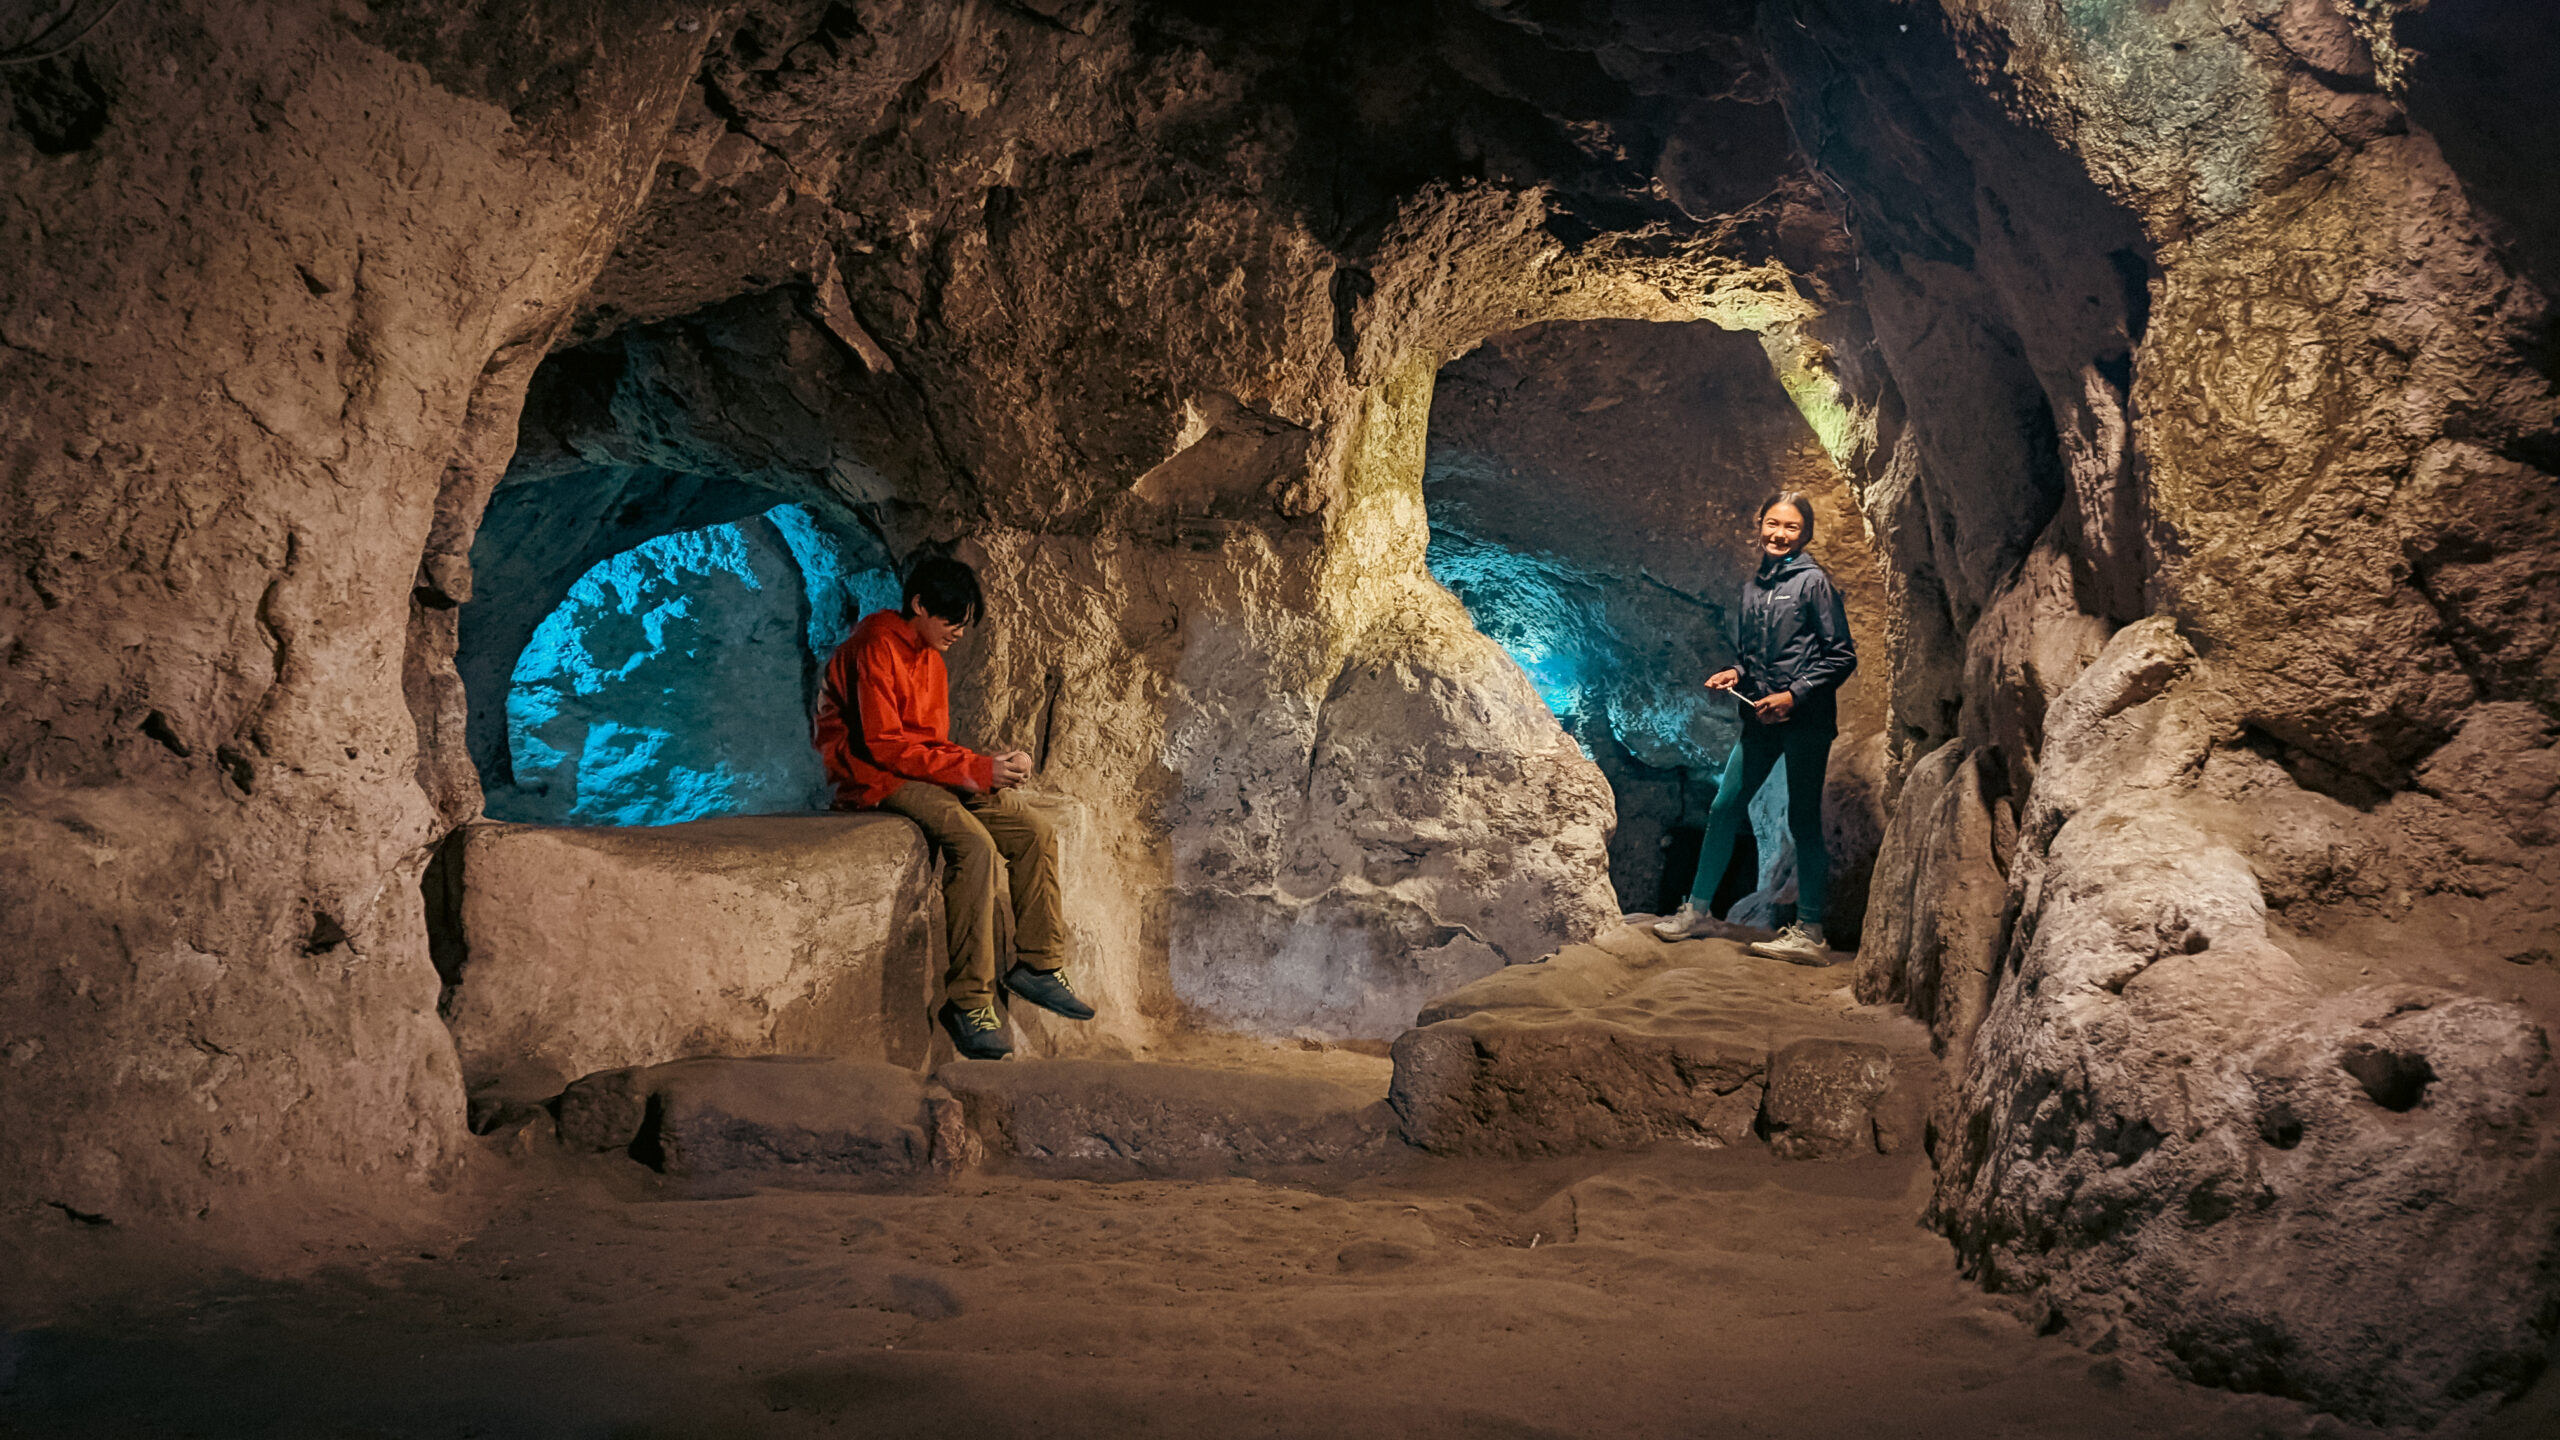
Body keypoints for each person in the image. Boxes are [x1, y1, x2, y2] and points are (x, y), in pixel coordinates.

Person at [812, 554, 1094, 1059]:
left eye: (964, 623)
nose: (959, 632)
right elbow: (884, 746)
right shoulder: (875, 646)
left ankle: (1039, 964)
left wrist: (989, 766)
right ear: (919, 605)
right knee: (973, 845)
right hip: (871, 778)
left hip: (915, 769)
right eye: (951, 620)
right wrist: (976, 770)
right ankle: (970, 1001)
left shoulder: (930, 660)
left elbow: (930, 745)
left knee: (1033, 831)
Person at [1653, 492, 1857, 965]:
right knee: (1724, 806)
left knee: (1802, 819)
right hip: (1760, 721)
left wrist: (1794, 695)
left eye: (1791, 527)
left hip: (1805, 722)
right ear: (1759, 524)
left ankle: (1811, 933)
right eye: (1772, 523)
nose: (1779, 534)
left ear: (1805, 534)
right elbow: (1754, 658)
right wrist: (1736, 673)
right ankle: (1698, 911)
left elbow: (1841, 655)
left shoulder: (1813, 583)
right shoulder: (1753, 589)